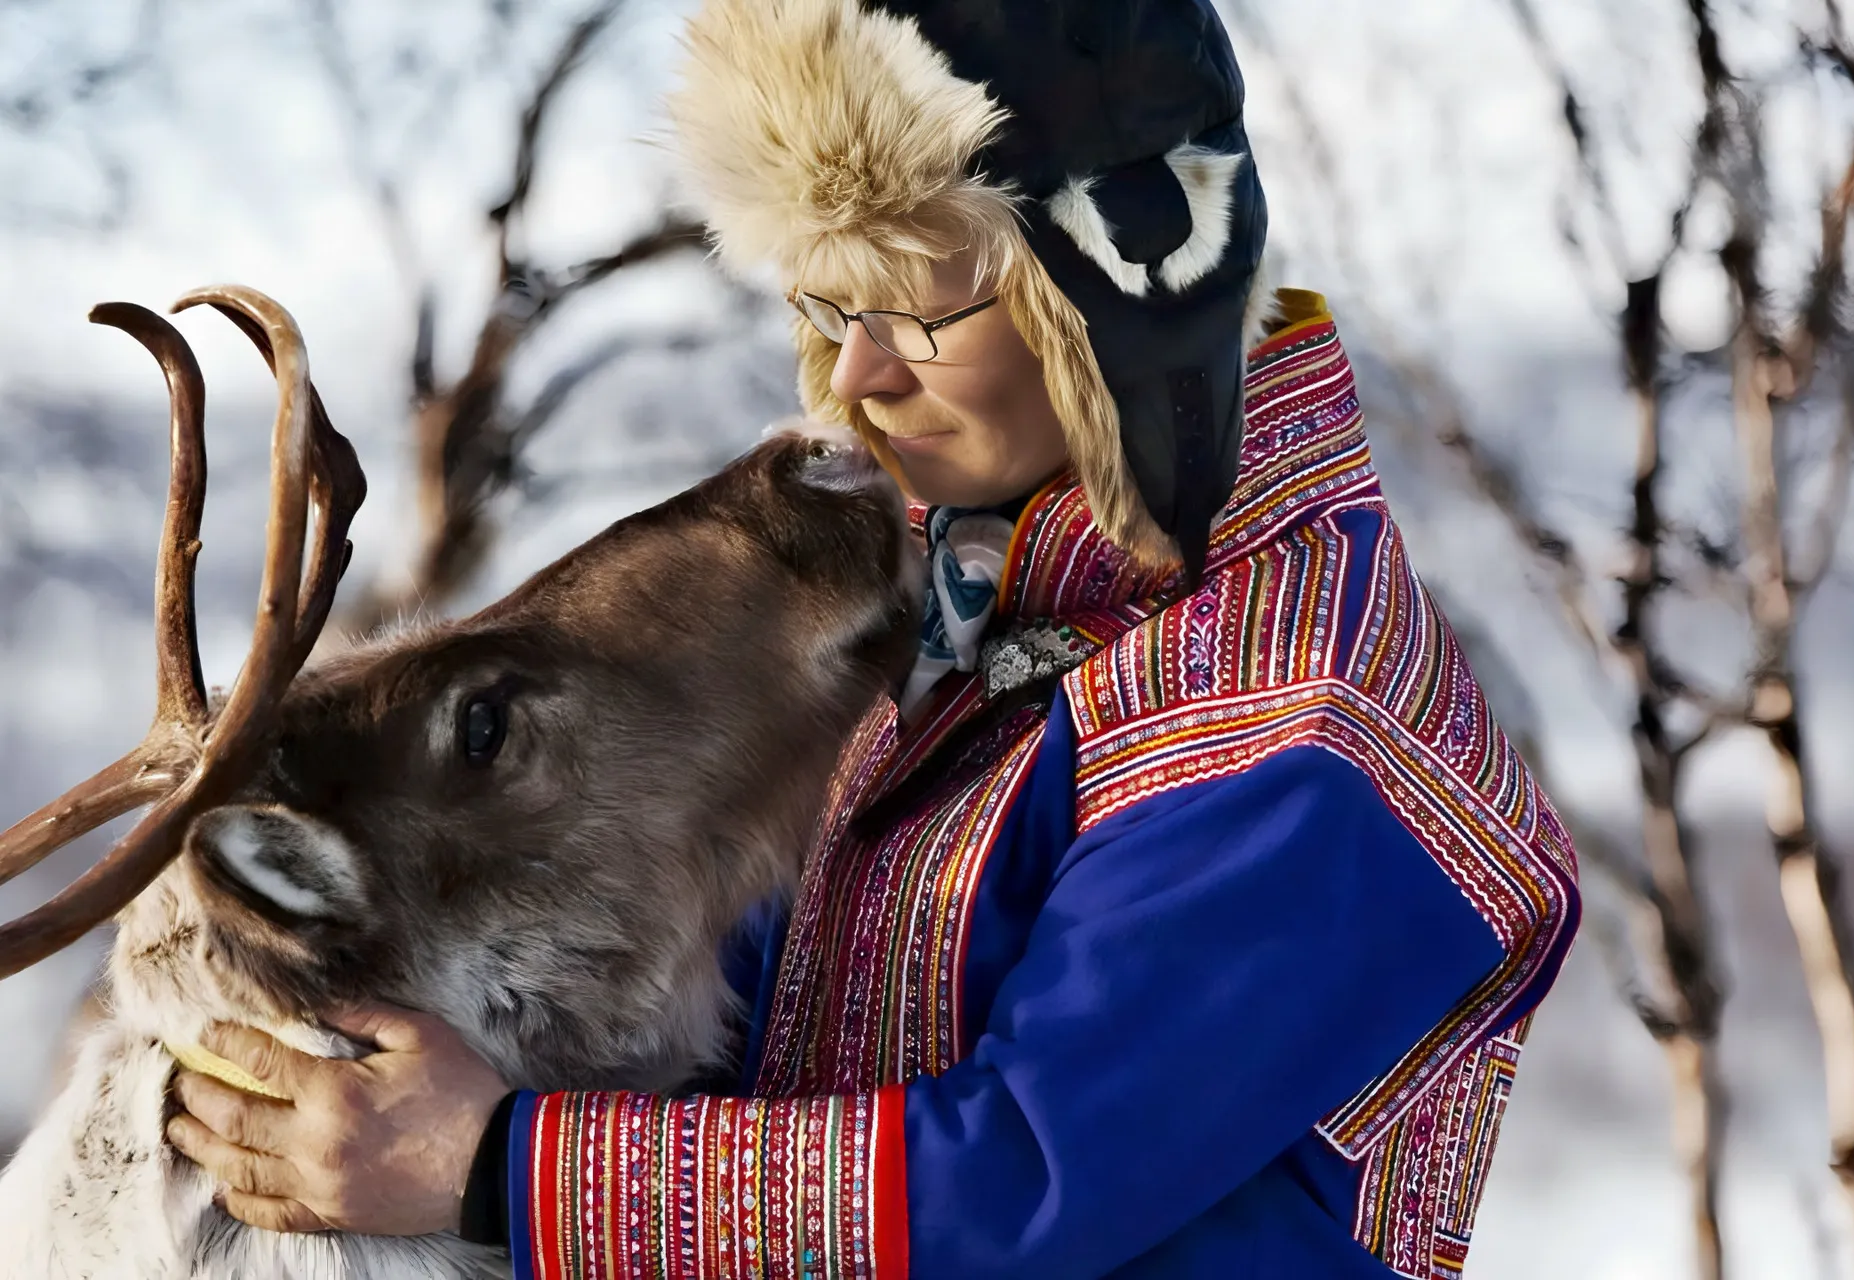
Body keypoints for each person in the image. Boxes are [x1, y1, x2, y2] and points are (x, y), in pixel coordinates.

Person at [165, 1, 1582, 1275]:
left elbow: (1029, 1182)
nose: (856, 371)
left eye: (916, 306)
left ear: (1124, 288)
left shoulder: (1302, 719)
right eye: (830, 303)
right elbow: (766, 1029)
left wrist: (497, 1170)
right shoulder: (966, 612)